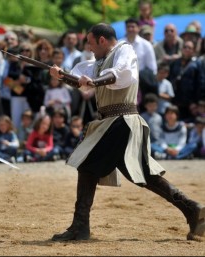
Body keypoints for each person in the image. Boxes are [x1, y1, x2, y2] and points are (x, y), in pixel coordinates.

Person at [49, 23, 205, 242]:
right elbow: (82, 80)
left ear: (102, 40)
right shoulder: (100, 61)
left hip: (122, 121)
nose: (90, 48)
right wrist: (61, 75)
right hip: (113, 123)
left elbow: (119, 75)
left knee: (87, 164)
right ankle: (193, 209)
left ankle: (80, 226)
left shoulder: (124, 50)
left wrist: (94, 81)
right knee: (143, 175)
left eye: (92, 43)